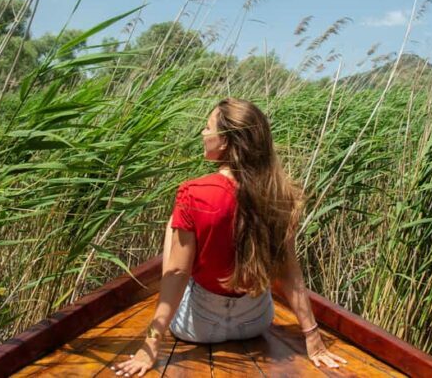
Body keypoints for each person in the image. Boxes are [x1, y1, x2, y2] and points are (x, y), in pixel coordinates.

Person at [112, 98, 347, 376]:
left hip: (197, 327)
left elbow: (176, 271)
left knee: (175, 227)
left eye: (207, 127)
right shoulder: (279, 196)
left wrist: (149, 345)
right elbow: (289, 272)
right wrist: (312, 337)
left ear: (225, 140)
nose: (202, 133)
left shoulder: (193, 193)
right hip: (255, 322)